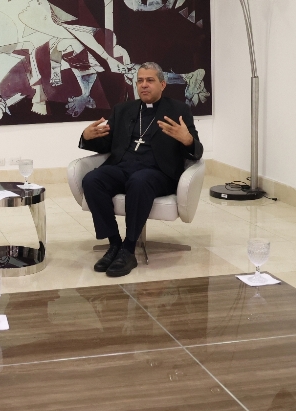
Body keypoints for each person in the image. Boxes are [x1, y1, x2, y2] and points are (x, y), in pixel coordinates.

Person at [77, 62, 204, 277]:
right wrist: (86, 138)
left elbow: (196, 151)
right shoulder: (122, 110)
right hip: (123, 167)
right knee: (92, 180)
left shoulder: (178, 110)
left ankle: (128, 249)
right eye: (140, 81)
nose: (144, 85)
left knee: (139, 181)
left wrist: (187, 140)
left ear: (162, 84)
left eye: (150, 80)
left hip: (158, 172)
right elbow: (106, 144)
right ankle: (114, 243)